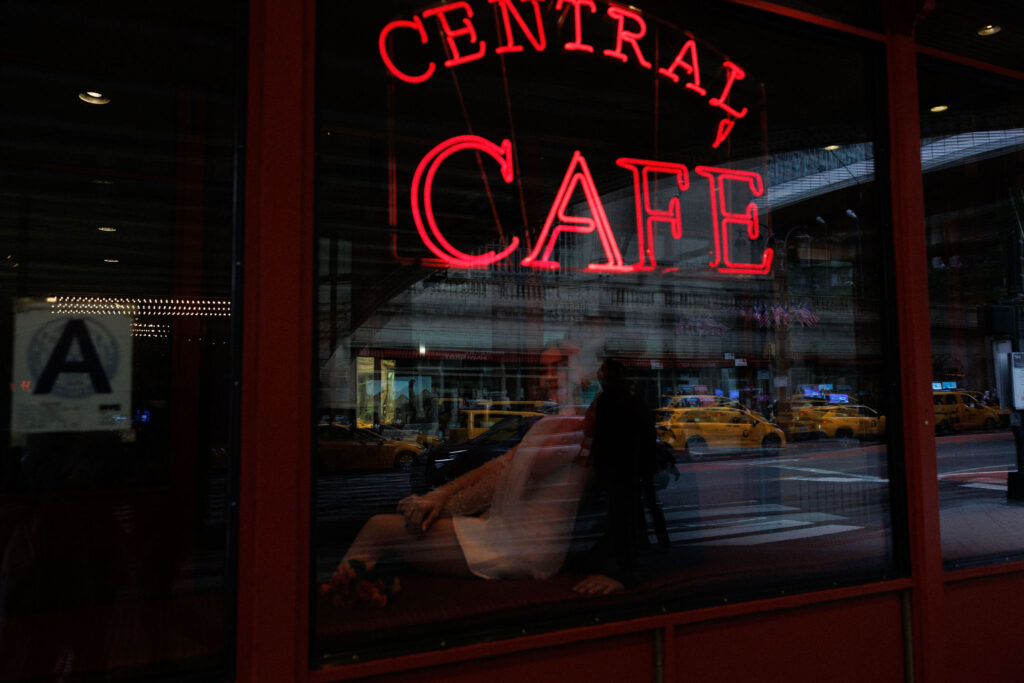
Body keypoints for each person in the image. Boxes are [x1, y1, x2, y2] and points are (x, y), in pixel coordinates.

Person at [320, 412, 593, 606]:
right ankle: (343, 594)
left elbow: (505, 476)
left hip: (519, 545)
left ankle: (335, 602)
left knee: (380, 529)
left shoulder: (575, 431)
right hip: (508, 534)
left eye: (557, 365)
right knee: (382, 529)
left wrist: (440, 504)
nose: (548, 376)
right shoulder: (563, 425)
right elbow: (501, 465)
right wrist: (440, 496)